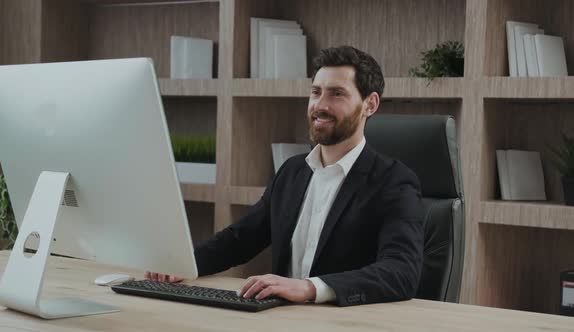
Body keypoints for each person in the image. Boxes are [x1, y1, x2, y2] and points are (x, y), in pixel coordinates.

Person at [147, 46, 425, 306]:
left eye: (337, 94)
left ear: (370, 104)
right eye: (316, 92)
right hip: (281, 319)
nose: (320, 105)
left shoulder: (394, 181)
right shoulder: (293, 171)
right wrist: (183, 264)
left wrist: (309, 287)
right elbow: (240, 239)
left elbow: (401, 272)